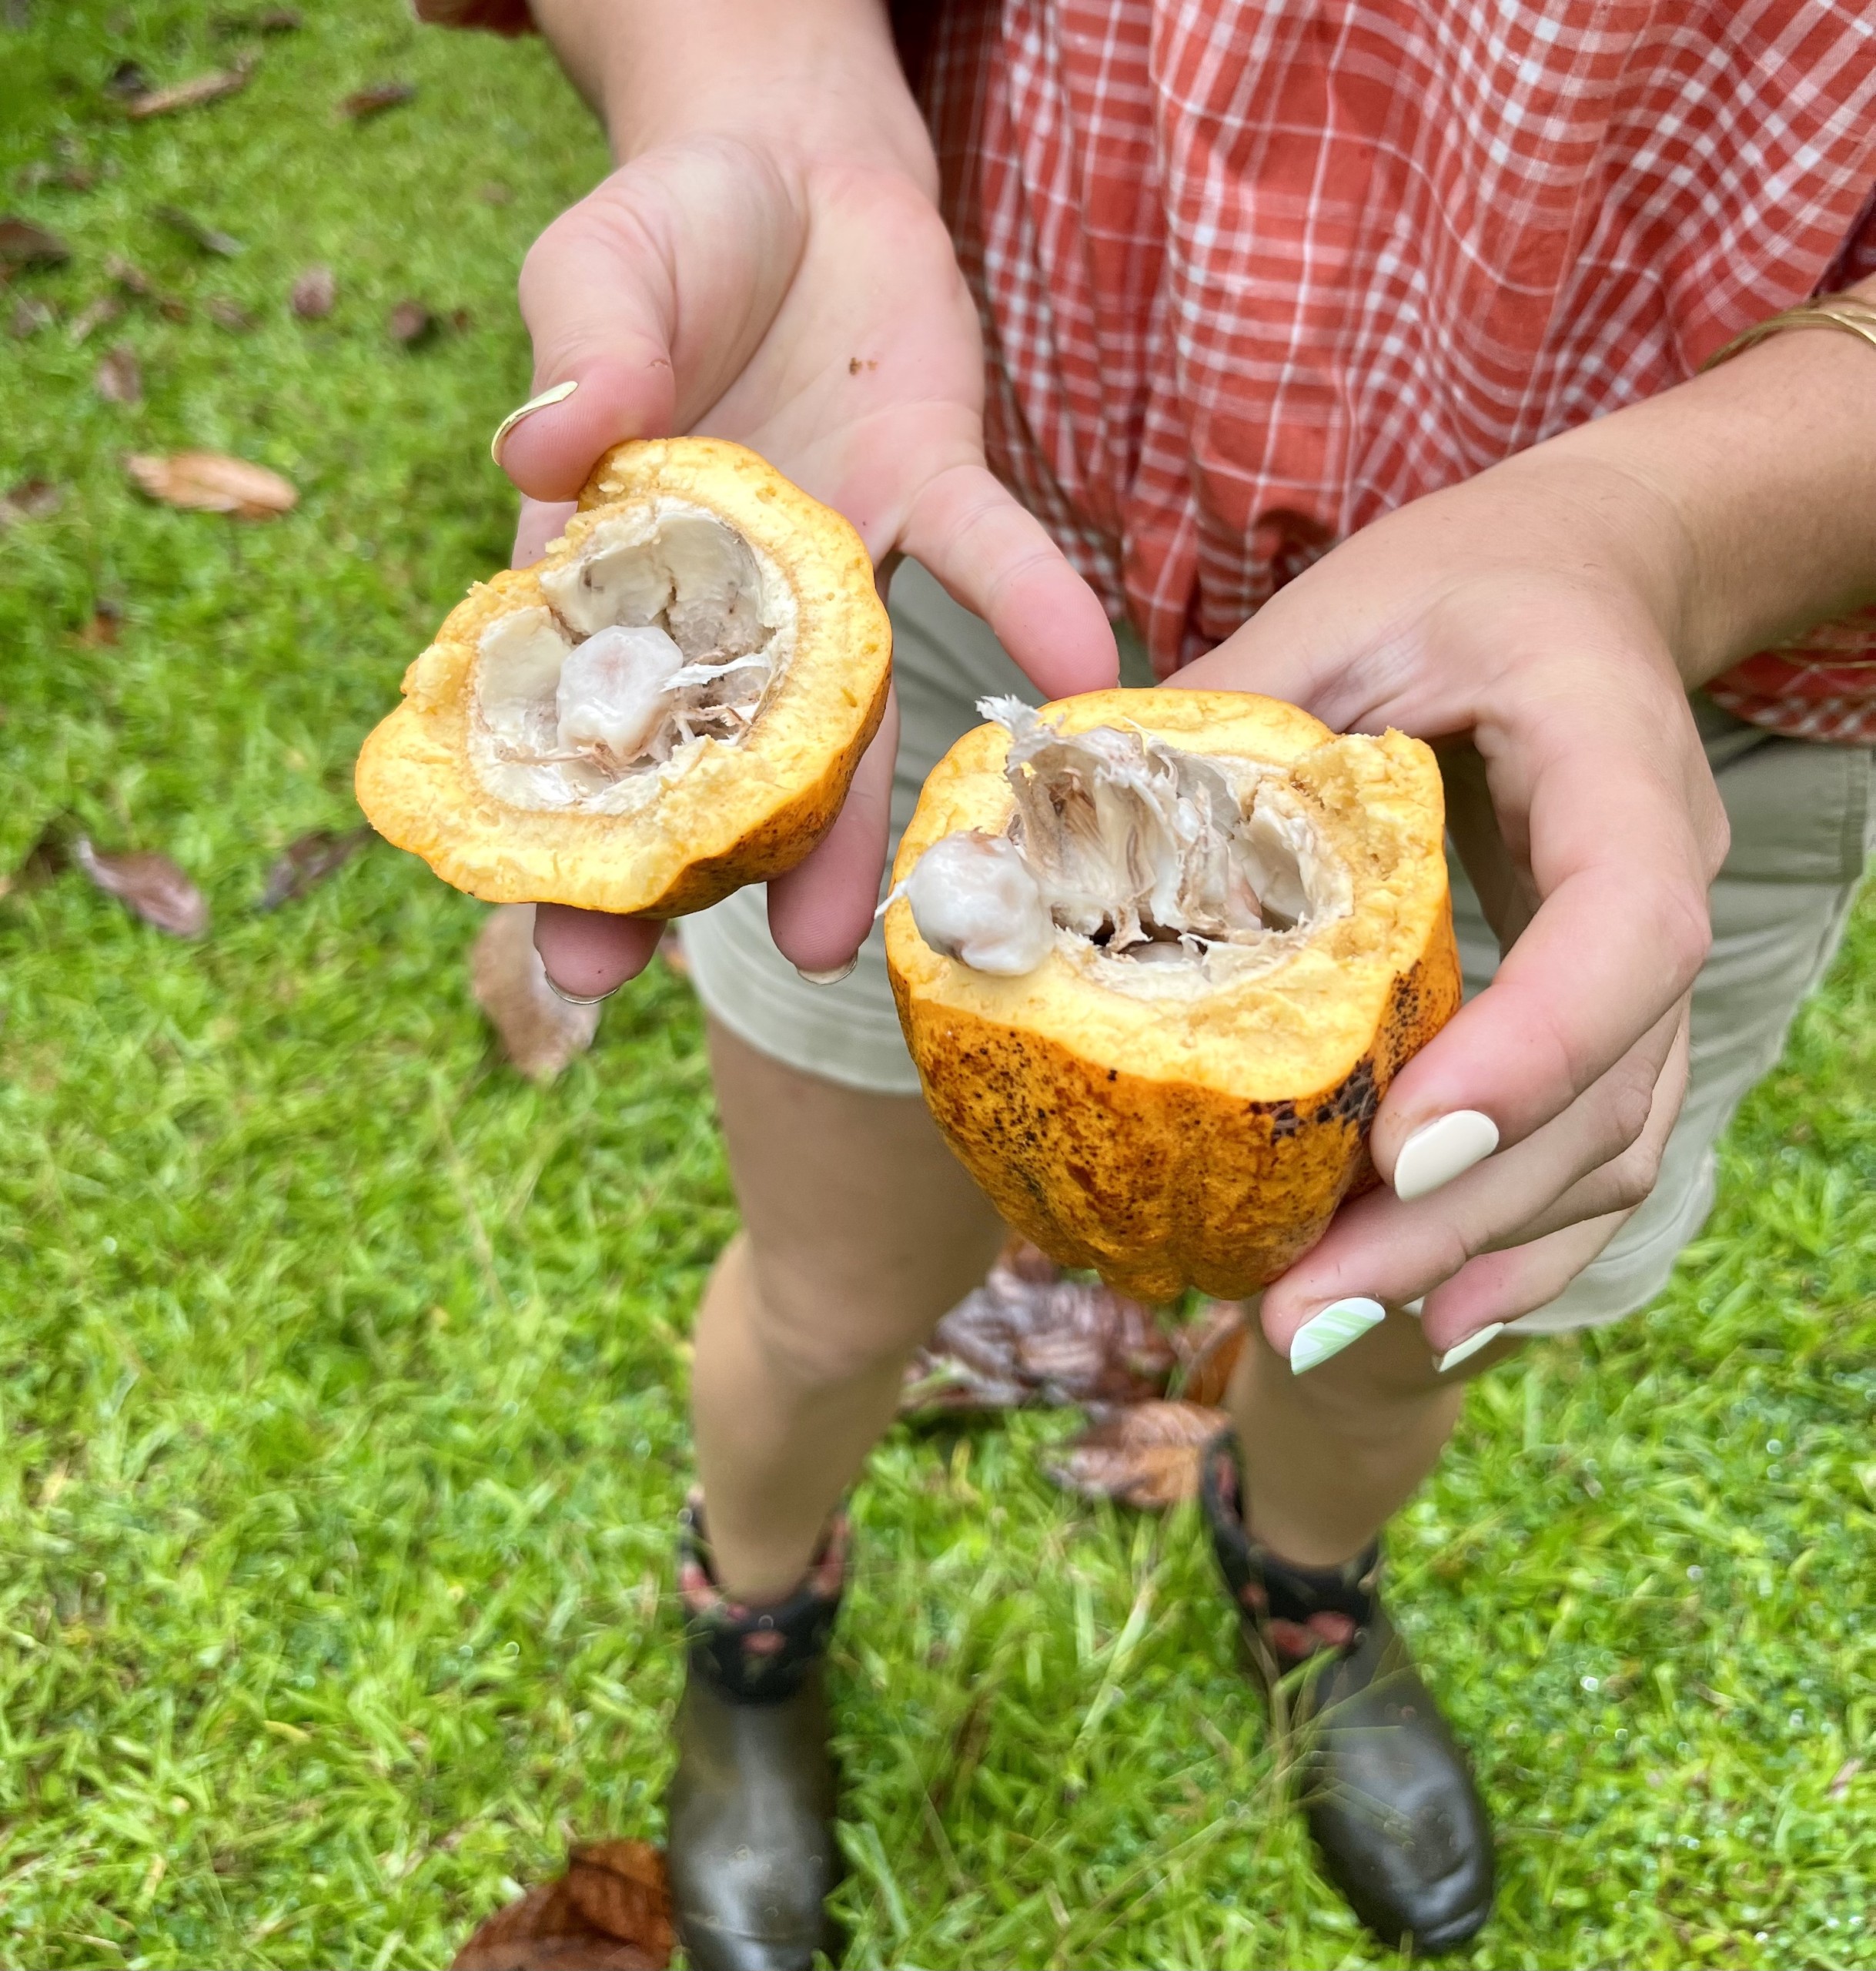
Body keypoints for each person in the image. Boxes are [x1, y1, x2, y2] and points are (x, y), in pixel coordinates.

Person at [421, 0, 1876, 1959]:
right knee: (831, 1284)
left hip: (1641, 703)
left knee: (1395, 1319)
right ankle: (754, 1615)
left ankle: (1302, 1573)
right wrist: (761, 93)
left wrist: (1657, 527)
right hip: (944, 520)